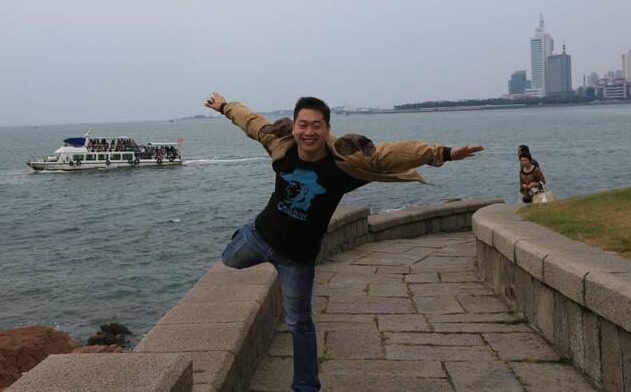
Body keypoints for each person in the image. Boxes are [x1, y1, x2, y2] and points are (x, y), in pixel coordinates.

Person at [204, 92, 483, 392]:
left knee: (299, 323)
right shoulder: (280, 143)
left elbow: (394, 153)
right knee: (229, 260)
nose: (308, 132)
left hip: (297, 259)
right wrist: (224, 107)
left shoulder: (344, 162)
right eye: (302, 124)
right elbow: (251, 121)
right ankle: (244, 230)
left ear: (327, 129)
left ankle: (306, 387)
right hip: (259, 237)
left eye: (316, 125)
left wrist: (444, 153)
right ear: (294, 126)